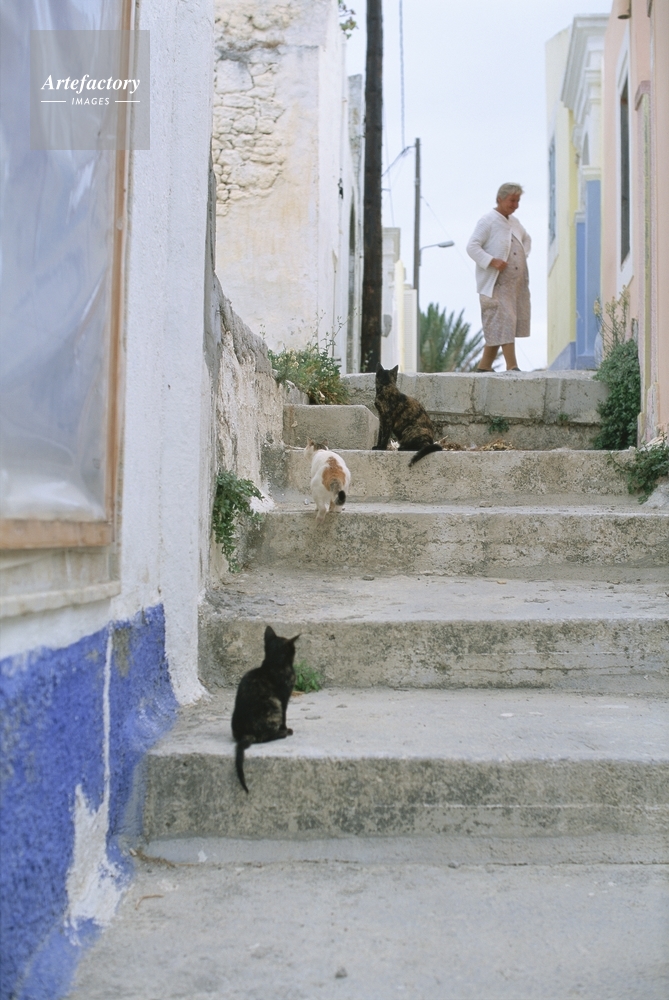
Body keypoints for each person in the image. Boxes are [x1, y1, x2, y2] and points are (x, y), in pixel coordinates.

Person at [466, 183, 531, 371]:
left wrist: (521, 255)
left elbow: (527, 239)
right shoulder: (488, 221)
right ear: (499, 199)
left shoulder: (514, 222)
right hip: (495, 283)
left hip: (514, 286)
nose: (515, 205)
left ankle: (484, 366)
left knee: (499, 323)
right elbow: (472, 246)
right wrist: (492, 261)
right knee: (504, 320)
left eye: (518, 201)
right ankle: (512, 366)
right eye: (512, 200)